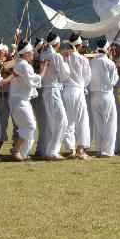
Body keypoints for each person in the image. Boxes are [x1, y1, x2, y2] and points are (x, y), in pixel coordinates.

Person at [9, 40, 46, 161]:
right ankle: (15, 149)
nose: (33, 54)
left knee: (25, 126)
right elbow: (34, 80)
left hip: (20, 99)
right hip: (20, 99)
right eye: (31, 52)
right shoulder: (24, 65)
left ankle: (23, 153)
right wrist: (44, 67)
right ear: (25, 53)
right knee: (30, 126)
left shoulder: (19, 63)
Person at [38, 32, 70, 160]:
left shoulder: (43, 54)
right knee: (62, 120)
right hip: (54, 90)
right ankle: (53, 151)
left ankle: (49, 150)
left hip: (47, 90)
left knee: (52, 122)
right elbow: (64, 75)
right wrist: (66, 60)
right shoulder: (56, 56)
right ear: (57, 43)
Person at [62, 34, 91, 160]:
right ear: (79, 46)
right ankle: (80, 150)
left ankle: (72, 149)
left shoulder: (64, 57)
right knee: (82, 120)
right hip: (78, 90)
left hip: (67, 90)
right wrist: (81, 86)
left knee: (68, 121)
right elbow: (87, 78)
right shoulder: (83, 59)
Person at [88, 38, 119, 157]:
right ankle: (107, 151)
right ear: (107, 49)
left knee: (98, 124)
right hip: (106, 94)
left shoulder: (92, 61)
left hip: (94, 95)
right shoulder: (110, 63)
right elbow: (113, 81)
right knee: (110, 124)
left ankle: (99, 149)